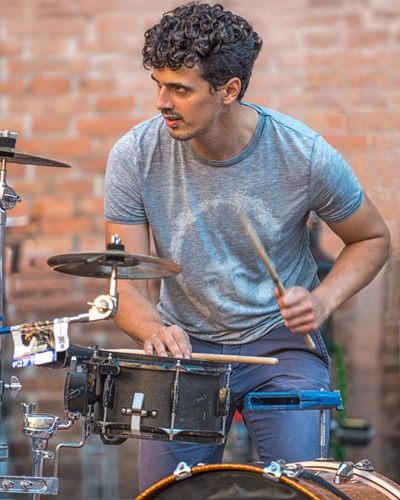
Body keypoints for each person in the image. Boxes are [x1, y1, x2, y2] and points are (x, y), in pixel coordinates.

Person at [104, 2, 391, 492]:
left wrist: (322, 301)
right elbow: (126, 285)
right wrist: (153, 330)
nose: (161, 102)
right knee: (168, 494)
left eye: (180, 89)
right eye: (158, 84)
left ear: (229, 90)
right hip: (187, 347)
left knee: (300, 490)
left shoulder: (303, 154)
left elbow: (373, 238)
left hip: (280, 345)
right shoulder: (134, 155)